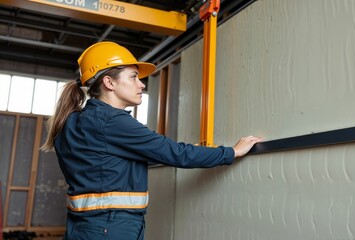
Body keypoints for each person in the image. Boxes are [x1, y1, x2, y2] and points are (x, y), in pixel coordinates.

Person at [41, 41, 262, 240]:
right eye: (133, 77)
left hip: (82, 226)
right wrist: (232, 152)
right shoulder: (112, 122)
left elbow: (108, 163)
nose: (141, 85)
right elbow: (175, 153)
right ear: (109, 82)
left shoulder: (72, 121)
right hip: (111, 227)